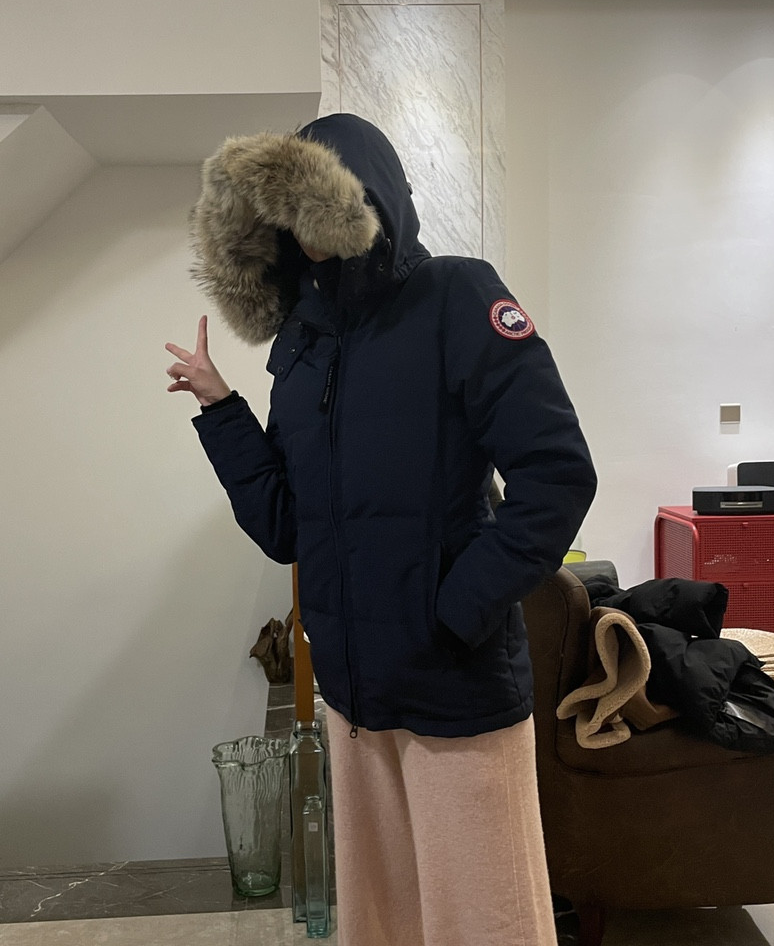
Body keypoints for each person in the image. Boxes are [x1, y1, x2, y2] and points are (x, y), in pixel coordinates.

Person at [166, 114, 596, 946]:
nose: (303, 234)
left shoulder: (457, 297)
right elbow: (287, 526)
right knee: (385, 923)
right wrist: (222, 410)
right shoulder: (302, 343)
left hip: (455, 691)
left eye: (311, 207)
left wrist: (453, 612)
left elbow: (558, 475)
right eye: (284, 218)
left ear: (361, 197)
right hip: (354, 699)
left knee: (487, 924)